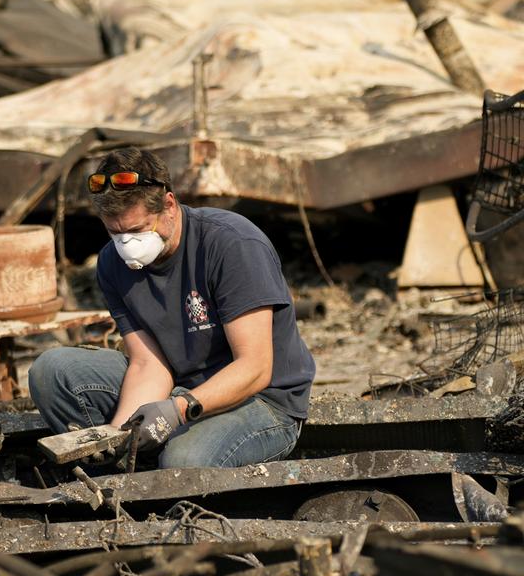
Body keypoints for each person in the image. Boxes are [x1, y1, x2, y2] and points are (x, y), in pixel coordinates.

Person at [28, 147, 315, 469]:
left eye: (137, 230)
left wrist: (177, 410)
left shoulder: (231, 243)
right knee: (54, 370)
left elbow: (255, 368)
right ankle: (122, 474)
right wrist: (119, 433)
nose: (127, 244)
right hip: (180, 386)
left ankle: (164, 468)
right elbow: (149, 364)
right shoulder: (112, 263)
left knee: (184, 460)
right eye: (115, 231)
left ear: (169, 205)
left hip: (261, 400)